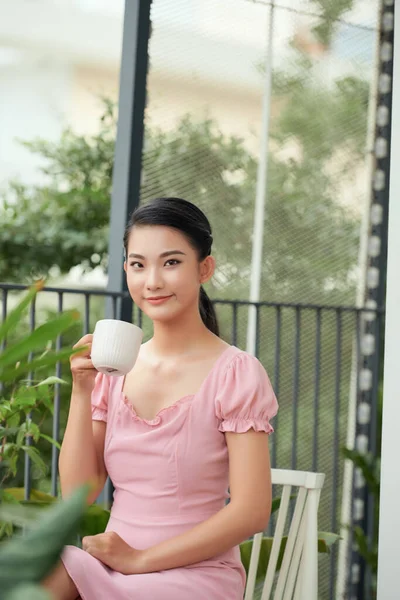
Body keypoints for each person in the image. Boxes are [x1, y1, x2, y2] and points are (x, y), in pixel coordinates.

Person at [43, 197, 278, 600]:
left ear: (204, 268)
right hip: (111, 564)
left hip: (193, 575)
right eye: (138, 264)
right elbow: (78, 492)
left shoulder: (235, 372)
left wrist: (139, 559)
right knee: (34, 576)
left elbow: (252, 511)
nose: (152, 281)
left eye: (170, 262)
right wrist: (82, 391)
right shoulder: (115, 373)